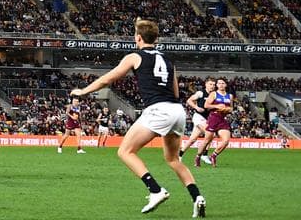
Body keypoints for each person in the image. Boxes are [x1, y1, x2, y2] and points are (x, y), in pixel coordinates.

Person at [70, 19, 206, 217]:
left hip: (158, 109)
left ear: (138, 38)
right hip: (177, 111)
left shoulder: (135, 56)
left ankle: (155, 190)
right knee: (173, 159)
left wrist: (83, 92)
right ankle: (197, 197)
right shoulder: (168, 60)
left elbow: (108, 78)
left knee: (125, 151)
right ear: (156, 39)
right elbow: (175, 91)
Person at [194, 77, 233, 167]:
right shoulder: (213, 94)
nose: (221, 85)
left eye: (223, 83)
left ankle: (214, 155)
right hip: (213, 118)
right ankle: (198, 157)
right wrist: (217, 106)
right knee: (207, 141)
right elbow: (206, 105)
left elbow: (231, 108)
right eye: (219, 83)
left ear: (225, 85)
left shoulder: (229, 96)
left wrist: (227, 109)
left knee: (226, 140)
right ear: (217, 85)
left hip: (222, 119)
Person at [179, 79, 215, 158]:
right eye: (210, 84)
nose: (212, 86)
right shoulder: (201, 93)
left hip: (206, 119)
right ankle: (204, 155)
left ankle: (180, 155)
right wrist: (196, 107)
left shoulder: (214, 95)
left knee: (192, 139)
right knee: (210, 134)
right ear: (206, 84)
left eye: (213, 85)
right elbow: (189, 100)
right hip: (198, 117)